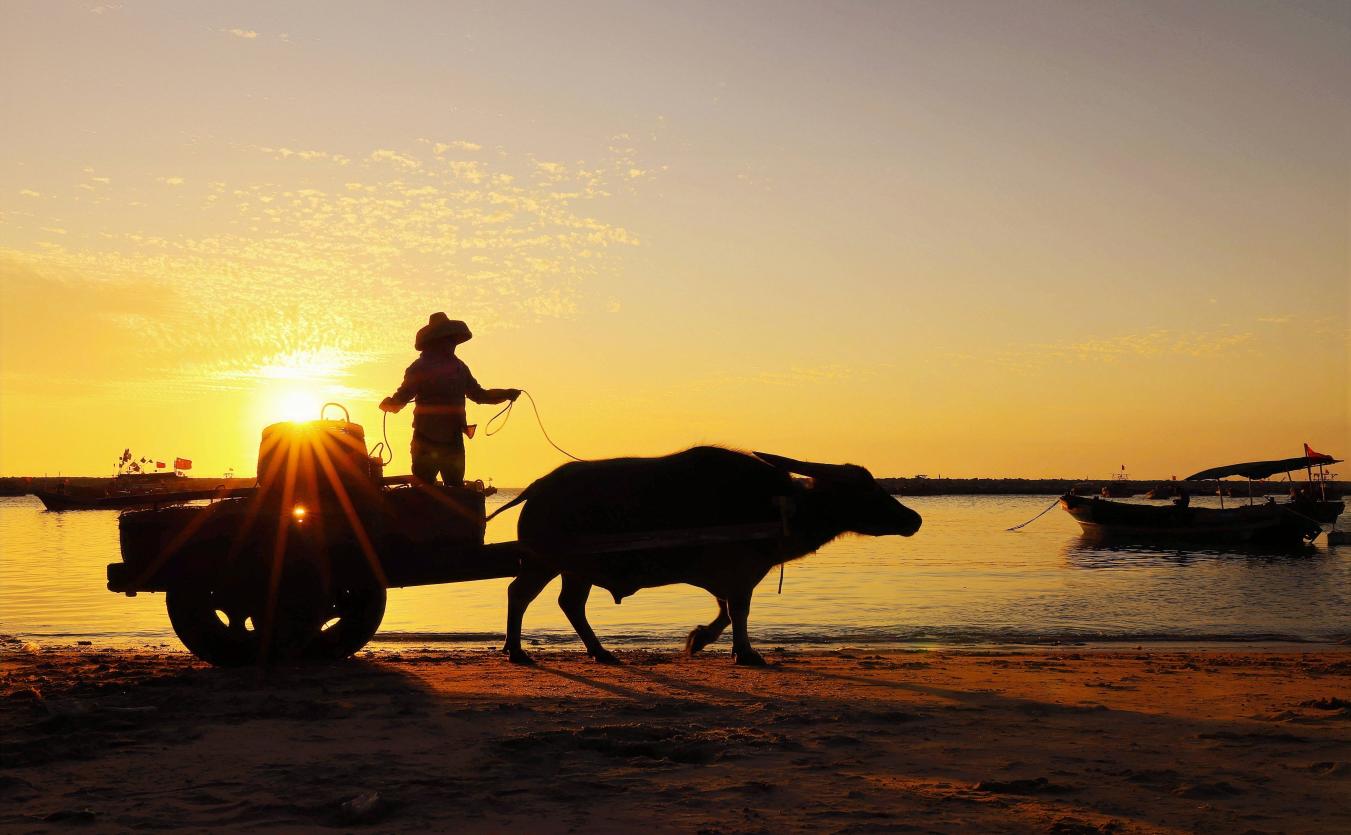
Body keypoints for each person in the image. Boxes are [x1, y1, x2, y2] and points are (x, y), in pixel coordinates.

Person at [379, 312, 520, 486]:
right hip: (432, 442)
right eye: (449, 340)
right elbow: (480, 395)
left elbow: (479, 395)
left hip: (445, 441)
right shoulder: (443, 368)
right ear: (437, 341)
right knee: (438, 490)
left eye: (453, 340)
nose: (452, 344)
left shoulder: (455, 368)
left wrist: (506, 393)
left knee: (432, 490)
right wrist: (391, 404)